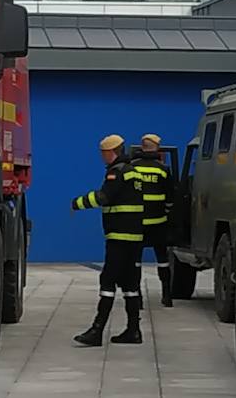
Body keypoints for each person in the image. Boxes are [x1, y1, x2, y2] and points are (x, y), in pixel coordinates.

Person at [70, 134, 145, 346]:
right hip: (135, 236)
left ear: (111, 152)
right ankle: (133, 330)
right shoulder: (134, 172)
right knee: (130, 284)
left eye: (103, 153)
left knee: (108, 281)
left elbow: (104, 197)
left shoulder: (116, 173)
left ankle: (97, 330)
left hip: (119, 236)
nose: (102, 157)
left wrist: (78, 203)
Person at [129, 133, 176, 308]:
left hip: (137, 223)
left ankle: (138, 297)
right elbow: (171, 197)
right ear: (156, 148)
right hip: (158, 223)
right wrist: (167, 212)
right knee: (163, 259)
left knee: (135, 261)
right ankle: (167, 296)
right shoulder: (163, 170)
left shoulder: (132, 168)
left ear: (142, 148)